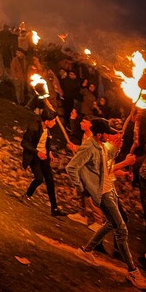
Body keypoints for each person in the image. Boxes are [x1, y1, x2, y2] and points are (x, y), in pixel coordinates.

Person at [66, 118, 146, 289]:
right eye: (108, 132)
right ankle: (132, 271)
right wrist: (83, 189)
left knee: (111, 223)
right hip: (101, 193)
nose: (110, 134)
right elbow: (71, 167)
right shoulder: (89, 146)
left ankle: (86, 251)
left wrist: (120, 153)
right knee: (121, 228)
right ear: (100, 133)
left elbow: (106, 169)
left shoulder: (100, 146)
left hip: (109, 190)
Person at [20, 109, 67, 216]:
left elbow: (46, 141)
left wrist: (49, 152)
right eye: (53, 121)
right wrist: (37, 152)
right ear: (46, 121)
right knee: (39, 178)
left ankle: (54, 208)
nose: (54, 123)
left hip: (44, 157)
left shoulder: (47, 130)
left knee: (50, 181)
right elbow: (24, 143)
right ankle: (27, 195)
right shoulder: (34, 128)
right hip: (34, 156)